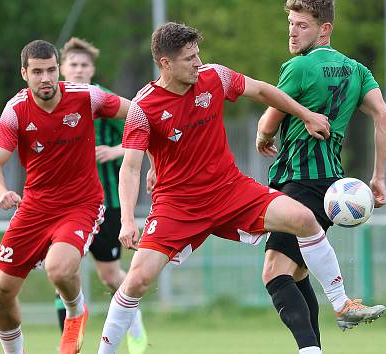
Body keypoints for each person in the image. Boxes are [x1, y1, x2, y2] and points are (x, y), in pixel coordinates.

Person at [98, 22, 341, 354]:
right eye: (189, 58)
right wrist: (128, 219)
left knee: (302, 218)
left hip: (230, 190)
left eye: (198, 54)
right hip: (177, 204)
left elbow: (261, 90)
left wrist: (306, 114)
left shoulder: (214, 77)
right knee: (137, 280)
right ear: (165, 63)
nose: (198, 63)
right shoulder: (143, 107)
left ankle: (341, 305)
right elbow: (130, 166)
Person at [256, 0, 386, 349]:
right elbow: (384, 118)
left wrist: (263, 137)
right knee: (298, 272)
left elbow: (268, 122)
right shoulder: (357, 70)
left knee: (274, 271)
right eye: (290, 22)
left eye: (302, 24)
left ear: (324, 29)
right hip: (331, 183)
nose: (292, 30)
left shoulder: (298, 67)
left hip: (299, 180)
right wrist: (379, 177)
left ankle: (313, 346)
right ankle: (314, 347)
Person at [0, 39, 130, 354]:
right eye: (37, 72)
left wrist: (151, 162)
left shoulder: (87, 97)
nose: (46, 78)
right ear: (25, 73)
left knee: (59, 268)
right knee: (1, 291)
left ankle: (76, 311)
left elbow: (139, 115)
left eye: (51, 70)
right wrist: (1, 191)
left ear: (58, 69)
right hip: (34, 207)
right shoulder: (16, 109)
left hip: (81, 204)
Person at [54, 37, 148, 354]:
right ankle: (68, 343)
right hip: (65, 205)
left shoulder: (103, 101)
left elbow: (144, 126)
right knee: (62, 271)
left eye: (84, 65)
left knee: (109, 276)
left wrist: (116, 149)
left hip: (107, 203)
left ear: (92, 69)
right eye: (73, 64)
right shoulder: (50, 102)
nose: (79, 69)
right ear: (61, 69)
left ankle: (134, 326)